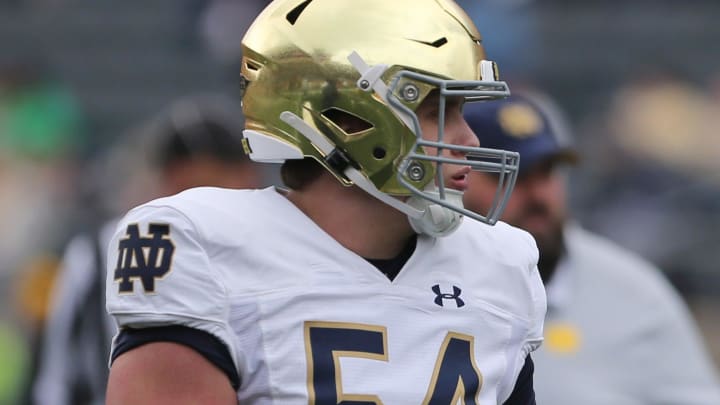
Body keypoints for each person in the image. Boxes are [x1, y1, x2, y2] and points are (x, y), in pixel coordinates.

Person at [104, 1, 546, 404]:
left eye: (463, 112)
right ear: (348, 118)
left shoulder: (502, 263)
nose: (468, 140)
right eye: (438, 113)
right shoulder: (200, 245)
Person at [462, 91, 720, 404]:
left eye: (547, 171)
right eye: (507, 175)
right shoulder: (418, 277)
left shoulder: (632, 291)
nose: (538, 195)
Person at [31, 94, 264, 405]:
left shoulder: (273, 246)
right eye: (188, 184)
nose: (201, 199)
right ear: (163, 180)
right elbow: (58, 379)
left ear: (246, 176)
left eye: (214, 182)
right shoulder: (99, 253)